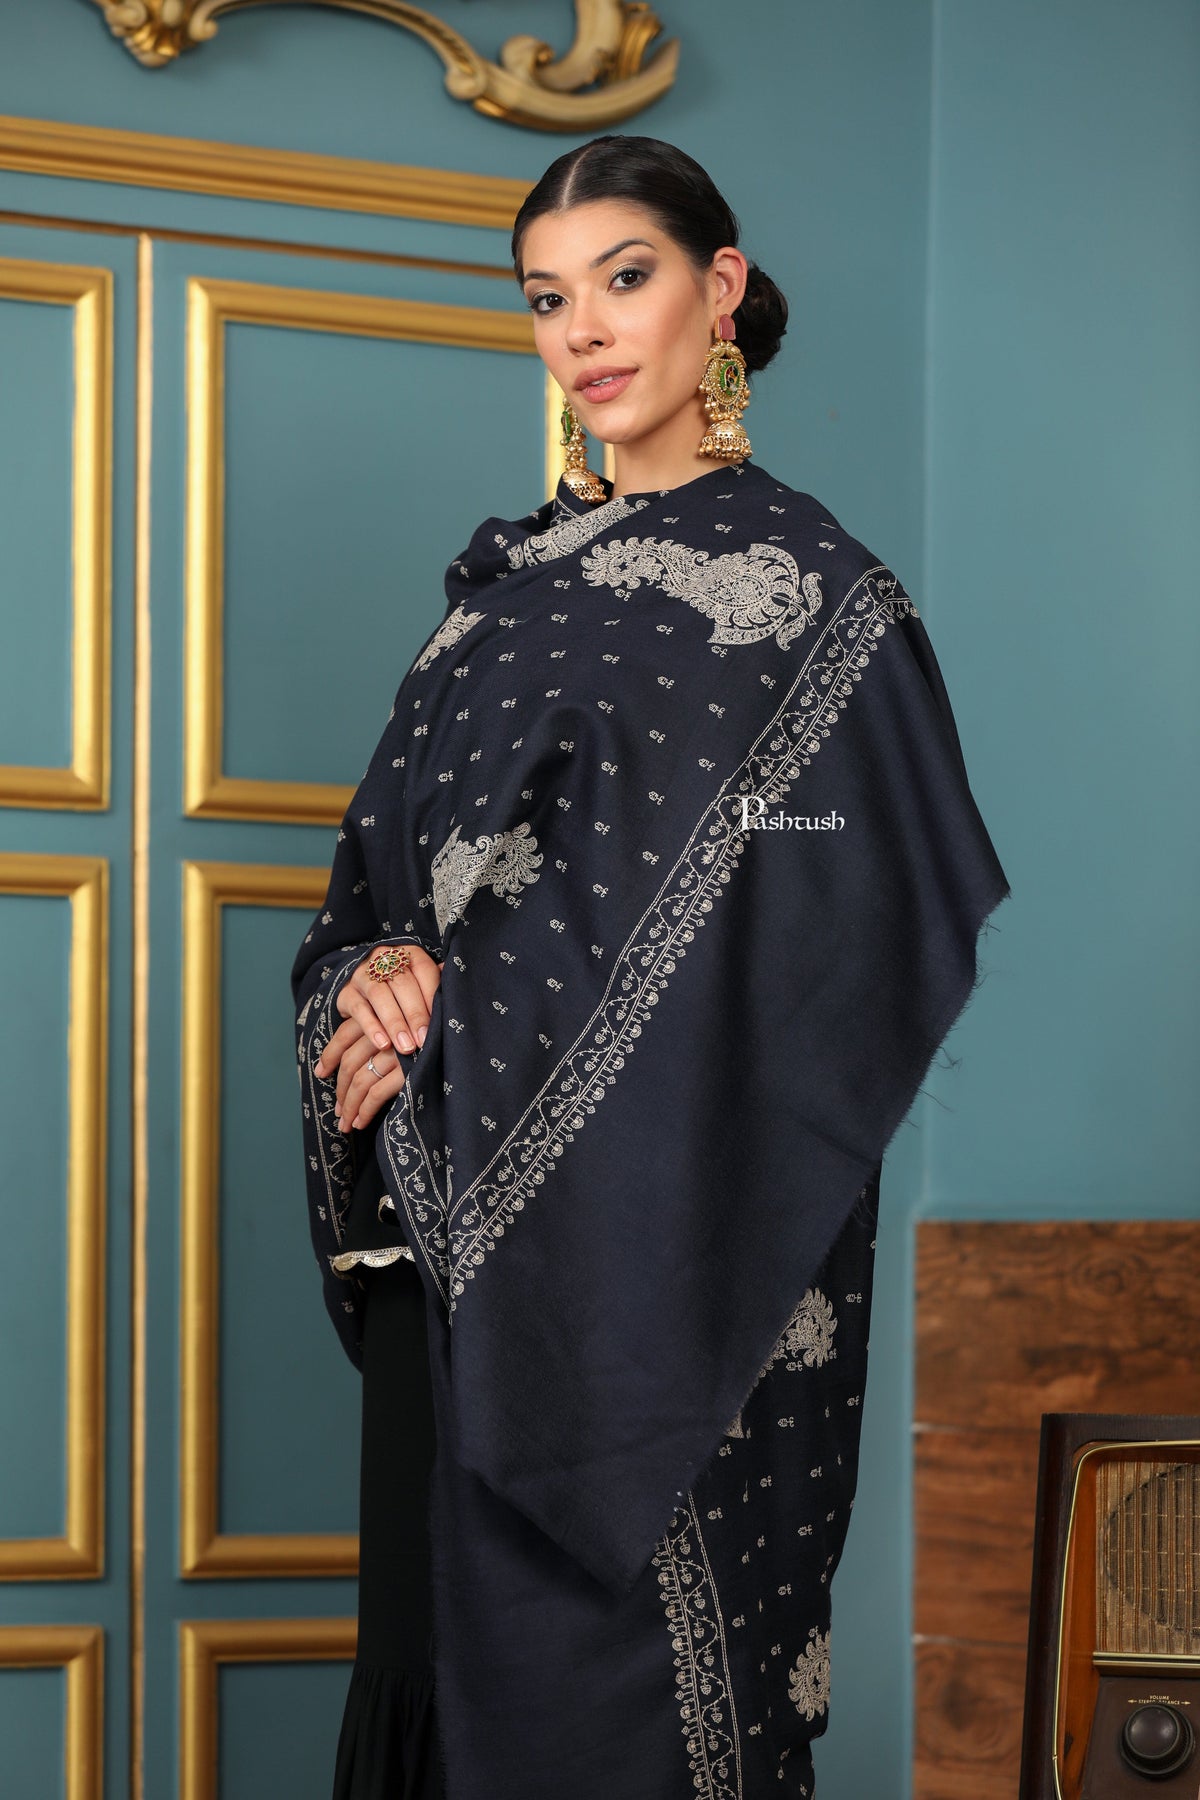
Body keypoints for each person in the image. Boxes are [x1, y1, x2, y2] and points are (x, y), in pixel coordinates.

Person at [291, 134, 1010, 1800]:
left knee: (620, 1714)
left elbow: (824, 915)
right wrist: (373, 987)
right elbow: (368, 900)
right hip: (443, 1247)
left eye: (625, 279)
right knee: (435, 1681)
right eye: (548, 299)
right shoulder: (490, 608)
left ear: (720, 289)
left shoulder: (812, 605)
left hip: (666, 1263)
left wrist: (470, 1015)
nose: (588, 332)